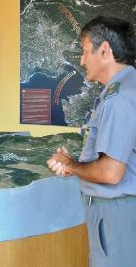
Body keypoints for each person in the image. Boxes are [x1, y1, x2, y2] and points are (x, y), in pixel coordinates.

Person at [47, 16, 136, 267]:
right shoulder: (127, 89)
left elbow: (110, 172)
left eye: (85, 51)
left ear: (105, 50)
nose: (81, 60)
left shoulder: (120, 99)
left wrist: (70, 165)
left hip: (116, 214)